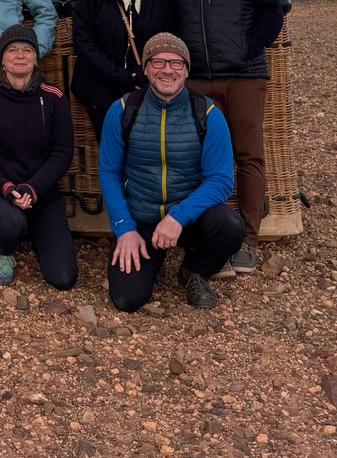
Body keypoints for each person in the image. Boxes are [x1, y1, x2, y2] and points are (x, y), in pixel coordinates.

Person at [163, 0, 283, 277]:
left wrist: (247, 47)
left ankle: (248, 239)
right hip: (193, 77)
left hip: (244, 74)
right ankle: (204, 234)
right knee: (193, 158)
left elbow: (270, 10)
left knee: (248, 155)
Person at [97, 32, 244, 312]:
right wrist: (124, 229)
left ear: (187, 70)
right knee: (127, 300)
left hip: (188, 217)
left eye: (177, 63)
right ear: (146, 68)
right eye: (159, 62)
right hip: (141, 218)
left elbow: (222, 179)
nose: (167, 70)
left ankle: (194, 270)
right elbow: (108, 172)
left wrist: (178, 216)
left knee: (229, 226)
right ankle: (145, 254)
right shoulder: (123, 110)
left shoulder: (208, 113)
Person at [0, 25, 77, 290]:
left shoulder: (54, 96)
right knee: (11, 221)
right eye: (12, 50)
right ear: (2, 58)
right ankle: (3, 250)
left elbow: (62, 153)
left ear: (36, 57)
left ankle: (38, 235)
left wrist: (33, 188)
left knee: (63, 278)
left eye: (27, 50)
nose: (20, 55)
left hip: (40, 191)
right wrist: (7, 188)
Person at [70, 0, 180, 140]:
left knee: (144, 151)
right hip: (100, 90)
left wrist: (144, 72)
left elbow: (168, 37)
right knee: (112, 152)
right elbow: (82, 40)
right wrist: (120, 75)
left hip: (145, 87)